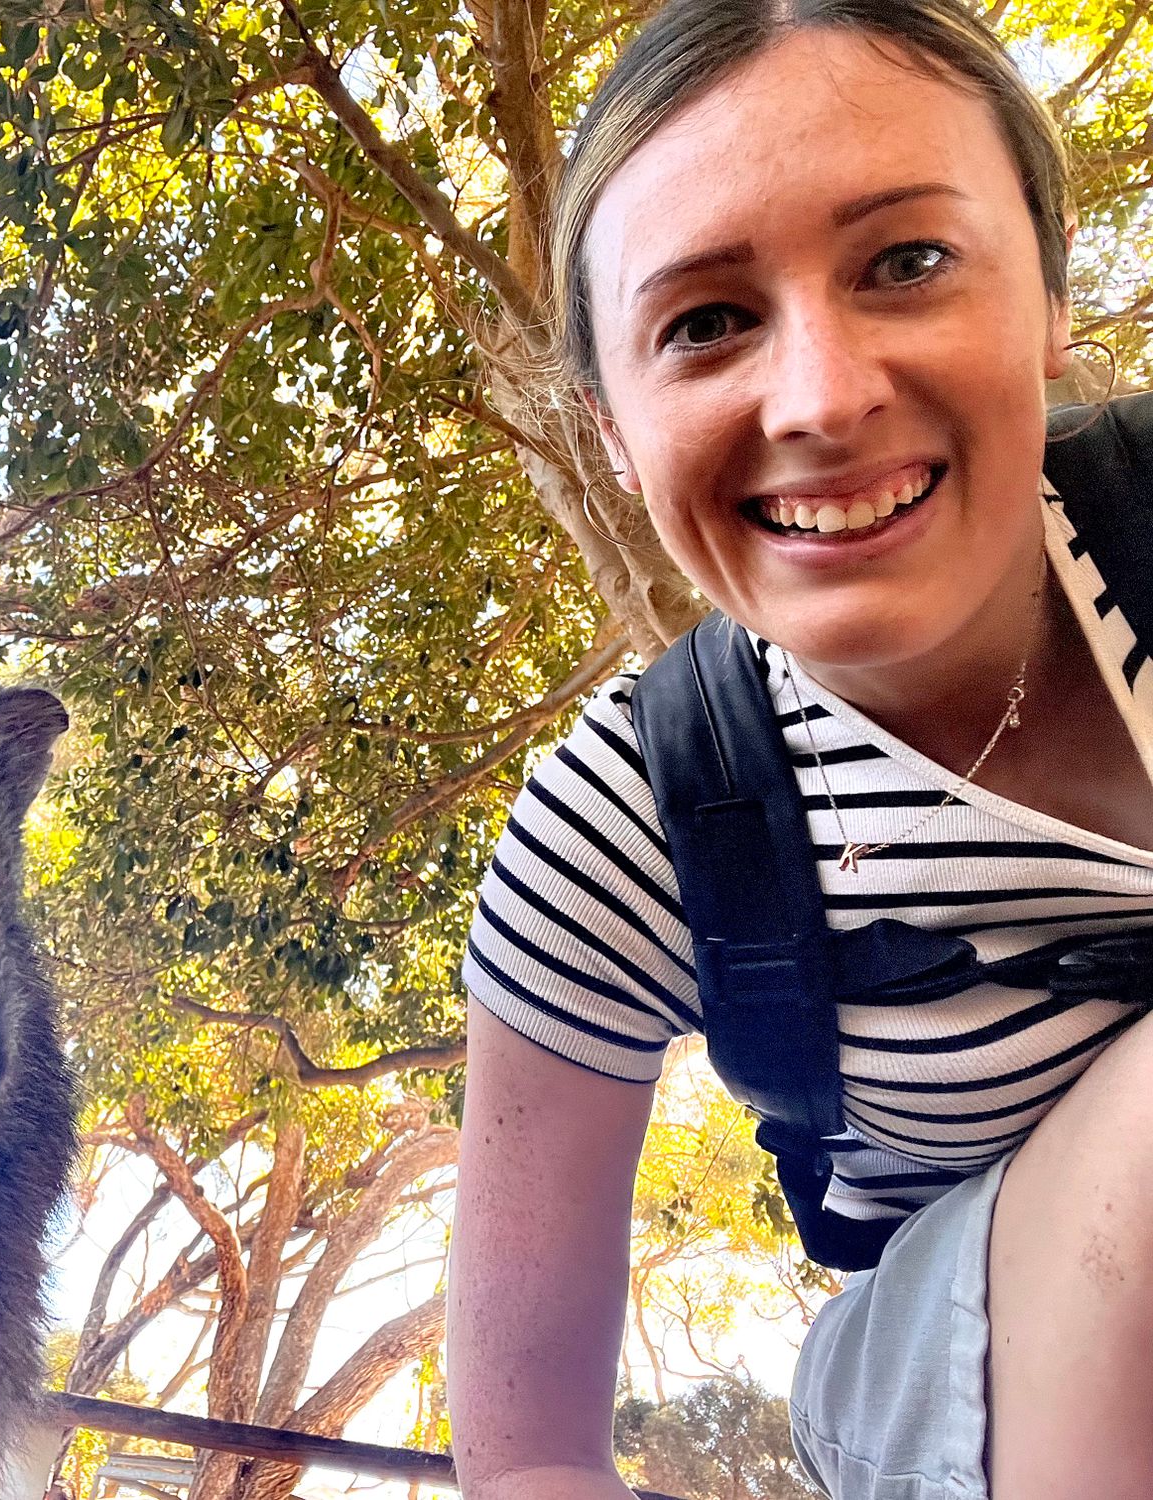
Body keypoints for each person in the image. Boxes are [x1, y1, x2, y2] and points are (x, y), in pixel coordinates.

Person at [445, 4, 1153, 1499]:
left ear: (1046, 287)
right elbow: (526, 1459)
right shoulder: (631, 819)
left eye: (907, 262)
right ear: (614, 435)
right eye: (704, 323)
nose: (823, 398)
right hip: (944, 1380)